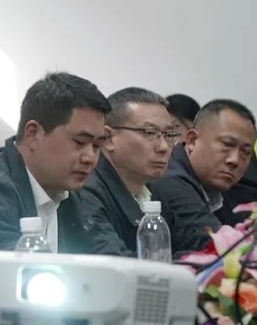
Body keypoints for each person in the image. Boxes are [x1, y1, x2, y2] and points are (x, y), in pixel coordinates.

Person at [0, 72, 119, 253]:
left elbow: (110, 257)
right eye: (80, 142)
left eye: (96, 146)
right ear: (33, 133)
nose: (90, 158)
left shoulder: (72, 191)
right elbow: (12, 270)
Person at [80, 88, 179, 255]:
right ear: (108, 138)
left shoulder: (151, 187)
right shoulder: (88, 191)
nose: (163, 147)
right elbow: (114, 262)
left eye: (168, 134)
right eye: (150, 133)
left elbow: (189, 243)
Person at [151, 99, 257, 245]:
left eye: (245, 152)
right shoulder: (171, 180)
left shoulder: (218, 183)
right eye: (227, 144)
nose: (235, 160)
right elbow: (224, 247)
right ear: (193, 140)